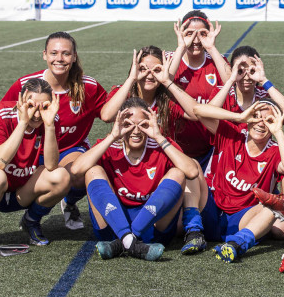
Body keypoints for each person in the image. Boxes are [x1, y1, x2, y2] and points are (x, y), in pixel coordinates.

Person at [100, 47, 210, 254]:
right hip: (128, 165)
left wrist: (167, 80)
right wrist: (132, 78)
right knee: (92, 169)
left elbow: (196, 114)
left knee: (190, 165)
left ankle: (193, 228)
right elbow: (106, 115)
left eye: (156, 69)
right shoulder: (124, 92)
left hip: (158, 165)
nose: (149, 74)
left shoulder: (167, 99)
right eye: (143, 68)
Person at [2, 31, 108, 231]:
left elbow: (108, 113)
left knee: (84, 169)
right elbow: (4, 116)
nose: (59, 59)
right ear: (44, 55)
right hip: (33, 151)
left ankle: (48, 211)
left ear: (74, 56)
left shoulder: (89, 86)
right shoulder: (25, 85)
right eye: (54, 53)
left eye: (66, 54)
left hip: (70, 150)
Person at [70, 98, 200, 261]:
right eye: (128, 124)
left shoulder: (159, 145)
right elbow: (76, 170)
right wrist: (112, 136)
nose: (136, 130)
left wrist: (159, 136)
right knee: (93, 171)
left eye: (143, 124)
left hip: (152, 227)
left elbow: (192, 171)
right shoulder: (112, 145)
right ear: (119, 123)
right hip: (114, 226)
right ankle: (129, 239)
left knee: (178, 174)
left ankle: (126, 240)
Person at [0, 78, 71, 249]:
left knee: (61, 176)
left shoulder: (50, 119)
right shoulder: (0, 113)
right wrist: (22, 123)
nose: (36, 113)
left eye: (43, 107)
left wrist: (49, 126)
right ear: (21, 100)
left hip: (19, 190)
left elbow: (51, 165)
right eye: (31, 105)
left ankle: (31, 221)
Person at [192, 100, 284, 263]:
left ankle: (238, 243)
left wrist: (278, 132)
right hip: (212, 210)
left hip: (243, 218)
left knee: (274, 206)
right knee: (191, 169)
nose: (260, 123)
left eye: (268, 120)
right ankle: (191, 231)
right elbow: (197, 110)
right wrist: (240, 116)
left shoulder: (274, 151)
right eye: (256, 116)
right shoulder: (232, 134)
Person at [165, 11, 233, 166]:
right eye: (189, 33)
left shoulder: (216, 60)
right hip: (174, 146)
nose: (195, 39)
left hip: (211, 146)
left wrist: (211, 47)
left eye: (202, 34)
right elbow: (163, 81)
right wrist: (181, 46)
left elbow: (232, 83)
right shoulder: (171, 58)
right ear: (181, 34)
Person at [210, 46, 284, 120]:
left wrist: (263, 80)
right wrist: (231, 80)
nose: (246, 77)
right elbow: (207, 113)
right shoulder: (222, 93)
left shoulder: (266, 95)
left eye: (252, 71)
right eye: (240, 71)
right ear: (232, 70)